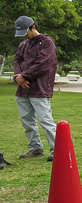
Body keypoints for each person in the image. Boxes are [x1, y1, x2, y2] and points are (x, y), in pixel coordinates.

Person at [13, 16, 57, 162]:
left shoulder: (47, 43)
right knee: (26, 121)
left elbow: (44, 63)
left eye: (25, 32)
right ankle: (35, 148)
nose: (24, 36)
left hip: (39, 88)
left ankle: (57, 150)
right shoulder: (23, 45)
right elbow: (17, 60)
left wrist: (24, 76)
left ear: (33, 27)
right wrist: (18, 78)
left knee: (45, 119)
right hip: (23, 90)